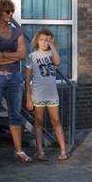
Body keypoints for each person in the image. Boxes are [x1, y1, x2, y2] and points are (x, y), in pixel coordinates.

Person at [0, 0, 31, 163]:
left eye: (12, 11)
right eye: (7, 11)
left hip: (14, 76)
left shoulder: (17, 32)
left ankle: (19, 151)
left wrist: (2, 55)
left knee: (15, 114)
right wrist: (12, 56)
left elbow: (22, 54)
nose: (11, 14)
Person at [25, 28, 69, 161]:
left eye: (47, 40)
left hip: (52, 95)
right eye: (42, 40)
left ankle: (63, 151)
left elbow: (57, 62)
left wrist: (52, 46)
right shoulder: (32, 56)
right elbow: (27, 79)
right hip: (38, 95)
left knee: (56, 121)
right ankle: (40, 152)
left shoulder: (52, 54)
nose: (44, 42)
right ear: (37, 41)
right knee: (38, 122)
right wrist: (28, 97)